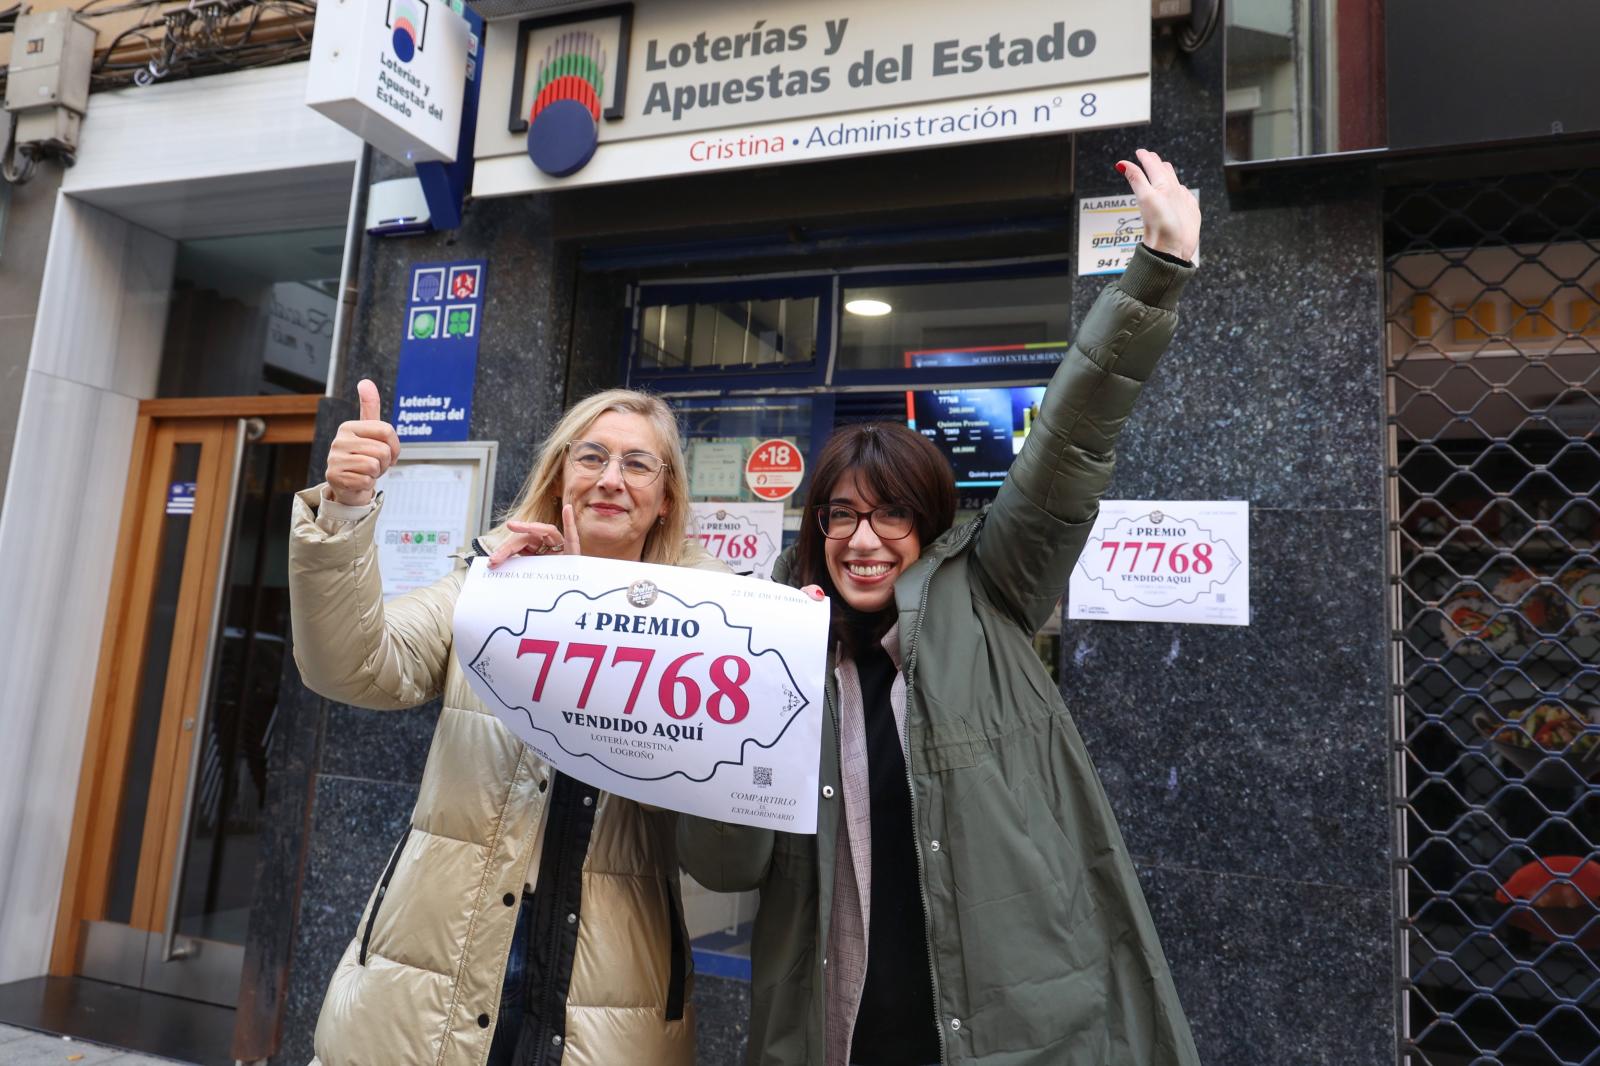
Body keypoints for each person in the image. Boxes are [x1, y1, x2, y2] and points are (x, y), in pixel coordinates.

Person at [678, 149, 1204, 1066]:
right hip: (833, 1028)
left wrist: (1155, 274)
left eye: (891, 515)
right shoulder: (775, 645)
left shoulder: (987, 592)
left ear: (931, 526)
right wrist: (761, 686)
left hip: (1006, 1029)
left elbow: (1071, 444)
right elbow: (724, 867)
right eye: (841, 516)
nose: (864, 539)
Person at [290, 384, 722, 1066]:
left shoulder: (711, 622)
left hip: (610, 985)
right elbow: (352, 665)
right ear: (559, 477)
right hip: (432, 970)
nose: (611, 479)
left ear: (666, 497)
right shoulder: (486, 586)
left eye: (638, 465)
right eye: (592, 457)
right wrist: (345, 510)